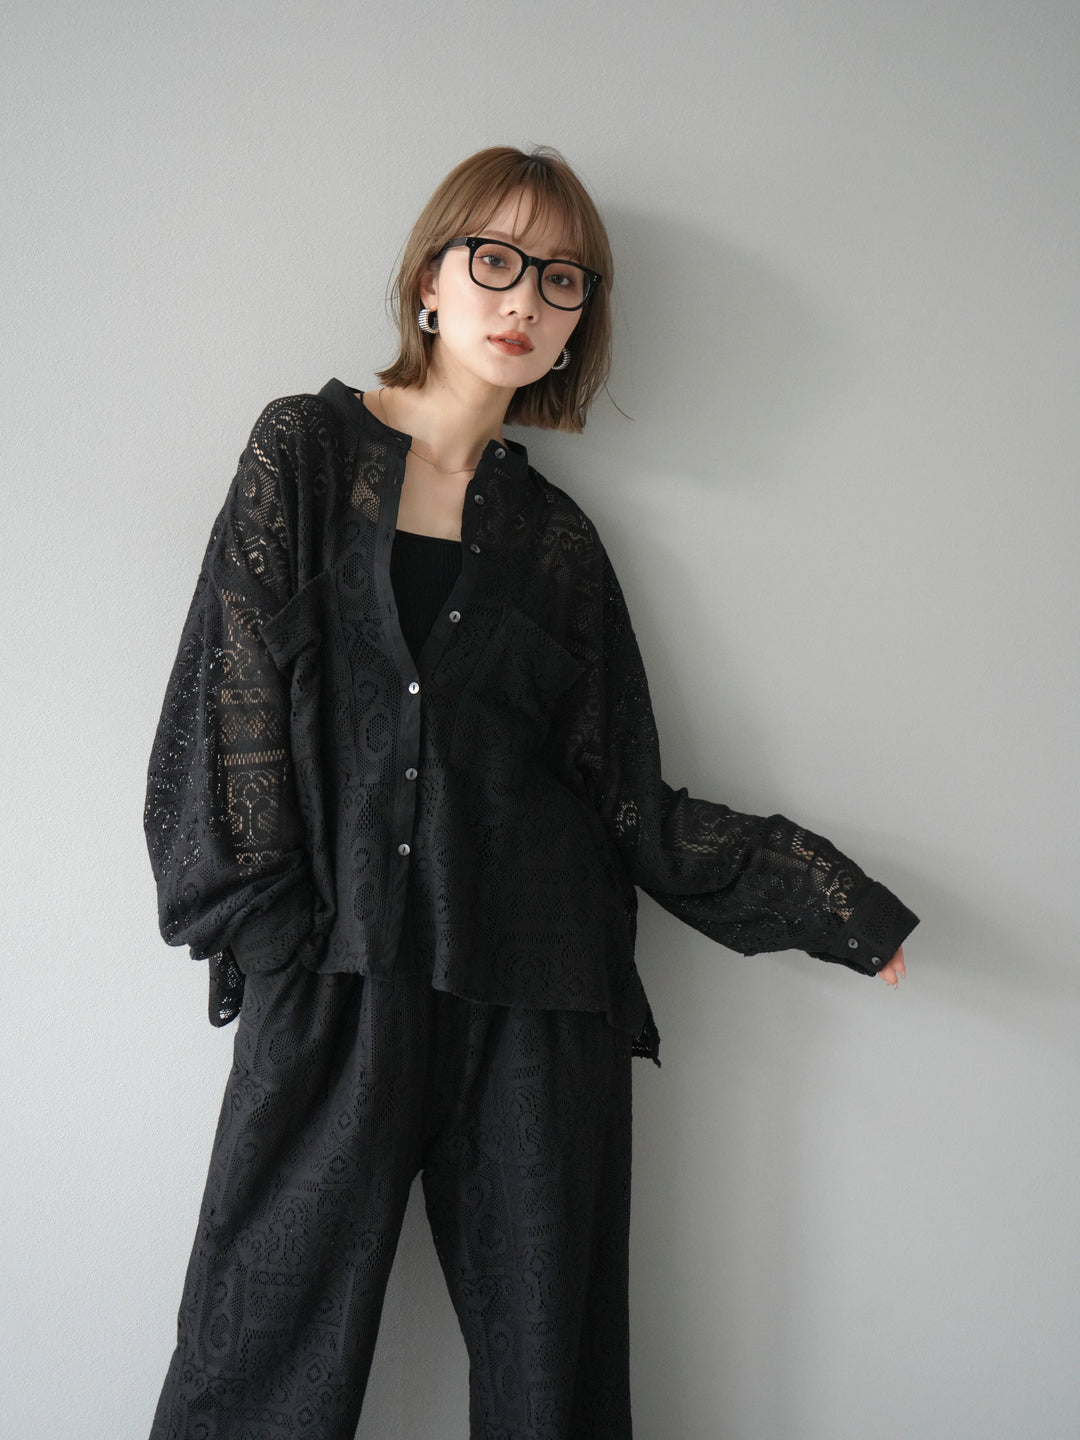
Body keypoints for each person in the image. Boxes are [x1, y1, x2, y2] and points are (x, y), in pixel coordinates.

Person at [143, 145, 918, 1440]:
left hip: (537, 993)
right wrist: (269, 933)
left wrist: (829, 901)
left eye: (562, 279)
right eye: (494, 260)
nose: (525, 299)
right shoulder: (306, 450)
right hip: (331, 970)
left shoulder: (558, 543)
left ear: (578, 321)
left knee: (551, 1381)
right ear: (429, 280)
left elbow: (623, 794)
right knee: (254, 1358)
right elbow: (227, 702)